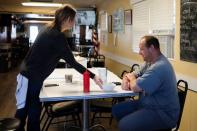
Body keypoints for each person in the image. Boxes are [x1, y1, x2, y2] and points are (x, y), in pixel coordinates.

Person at [14, 4, 103, 131]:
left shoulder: (47, 29)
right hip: (31, 78)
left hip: (28, 75)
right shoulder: (57, 36)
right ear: (67, 19)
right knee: (30, 113)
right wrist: (93, 76)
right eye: (73, 20)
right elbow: (73, 62)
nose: (74, 23)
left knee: (26, 111)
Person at [112, 36, 180, 131]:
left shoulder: (160, 67)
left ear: (151, 48)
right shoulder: (149, 62)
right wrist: (126, 78)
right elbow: (132, 74)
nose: (139, 52)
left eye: (142, 49)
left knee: (124, 125)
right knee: (117, 110)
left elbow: (135, 87)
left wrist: (131, 79)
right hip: (147, 104)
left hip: (162, 113)